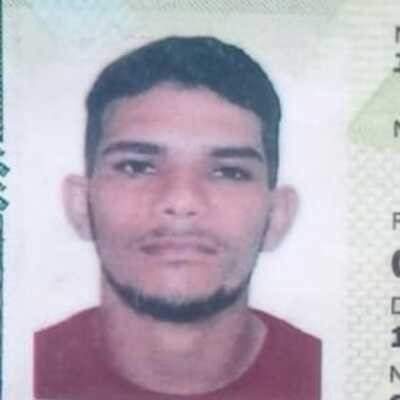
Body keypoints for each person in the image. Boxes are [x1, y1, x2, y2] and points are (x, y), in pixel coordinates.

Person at [34, 36, 321, 400]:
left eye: (228, 172)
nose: (181, 200)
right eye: (136, 166)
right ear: (80, 205)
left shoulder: (337, 377)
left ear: (277, 216)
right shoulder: (22, 370)